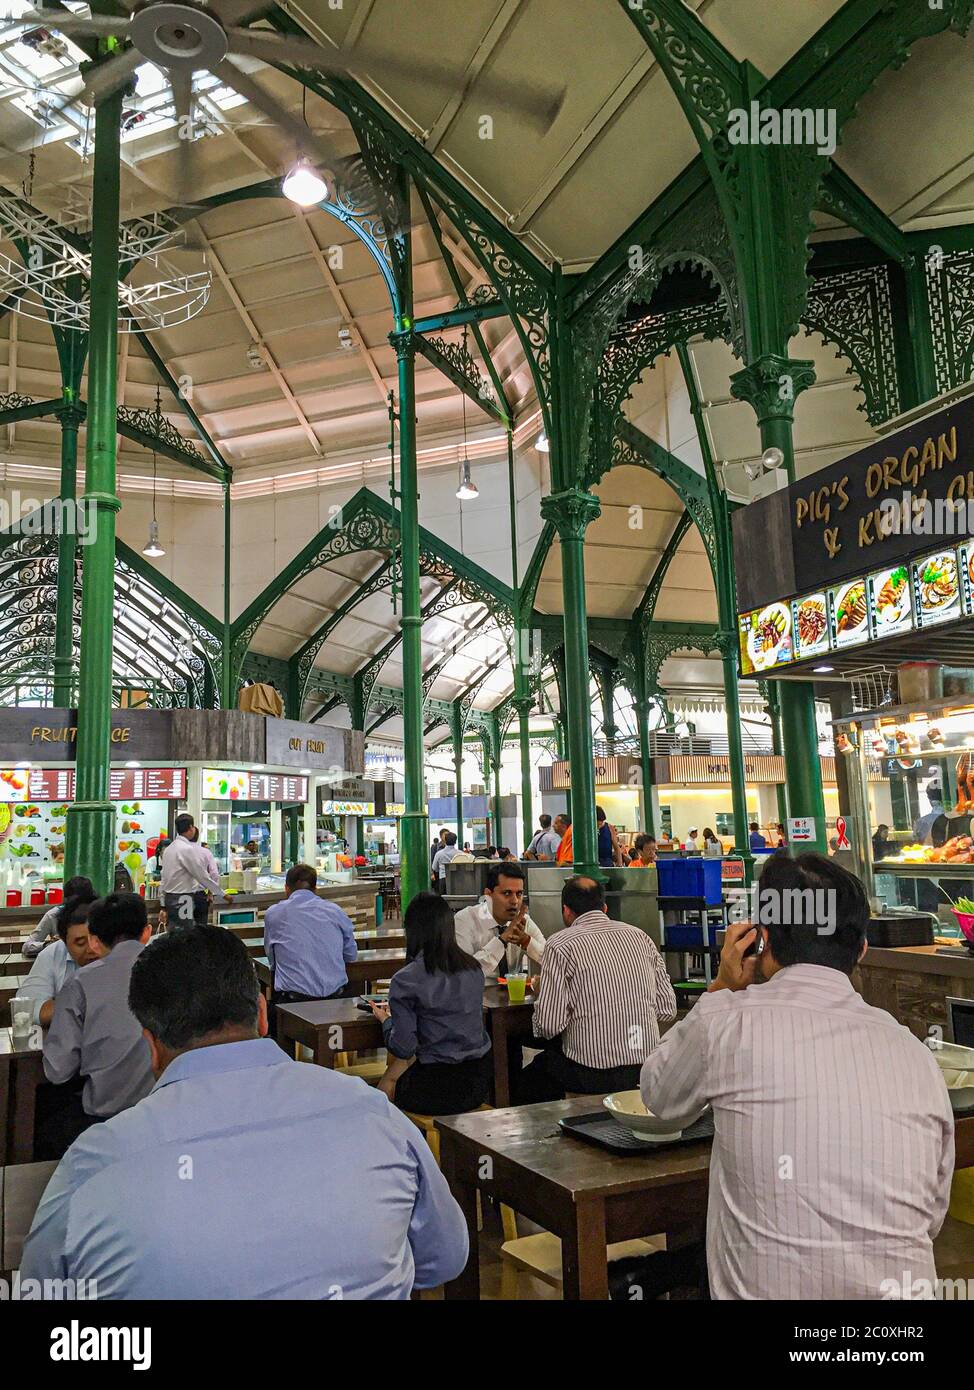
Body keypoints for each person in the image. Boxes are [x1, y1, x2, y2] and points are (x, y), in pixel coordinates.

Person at [22, 925, 469, 1299]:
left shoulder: (94, 1165)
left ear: (151, 1046)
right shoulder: (373, 1113)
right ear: (262, 1015)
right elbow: (445, 1257)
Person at [640, 853, 954, 1300]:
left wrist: (722, 987)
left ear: (762, 940)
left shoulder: (729, 1023)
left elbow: (660, 1097)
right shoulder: (916, 1055)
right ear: (861, 948)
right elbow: (932, 1214)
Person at [518, 876, 677, 1103]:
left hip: (589, 1073)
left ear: (566, 911)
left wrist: (543, 992)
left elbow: (549, 1025)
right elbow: (667, 1010)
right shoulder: (641, 937)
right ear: (604, 907)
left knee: (527, 1079)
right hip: (644, 1069)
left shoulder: (561, 944)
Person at [41, 893, 155, 1154]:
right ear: (146, 932)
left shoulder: (81, 983)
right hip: (168, 1115)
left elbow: (58, 1070)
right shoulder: (175, 973)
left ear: (93, 940)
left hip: (104, 1120)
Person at [371, 893, 491, 1115]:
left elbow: (403, 1047)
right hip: (477, 1083)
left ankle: (384, 1138)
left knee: (394, 1072)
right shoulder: (474, 969)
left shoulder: (406, 979)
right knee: (403, 1066)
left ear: (411, 931)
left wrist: (387, 1022)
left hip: (433, 1089)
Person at [263, 864, 357, 1005]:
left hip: (292, 1003)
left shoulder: (274, 914)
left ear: (286, 889)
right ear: (315, 889)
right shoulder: (336, 911)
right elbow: (351, 955)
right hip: (336, 999)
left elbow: (272, 960)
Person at [453, 862, 546, 980]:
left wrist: (526, 941)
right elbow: (463, 973)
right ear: (488, 895)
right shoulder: (465, 920)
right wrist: (502, 940)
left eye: (519, 894)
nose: (515, 901)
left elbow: (552, 959)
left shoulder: (522, 921)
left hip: (512, 994)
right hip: (478, 994)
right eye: (507, 893)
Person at [19, 897, 98, 1028]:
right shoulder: (52, 955)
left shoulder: (121, 952)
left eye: (97, 939)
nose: (91, 949)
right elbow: (26, 1008)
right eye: (80, 943)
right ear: (63, 941)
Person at [160, 812, 220, 926]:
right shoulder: (189, 850)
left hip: (171, 898)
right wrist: (218, 892)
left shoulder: (169, 850)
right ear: (191, 828)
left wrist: (162, 904)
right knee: (189, 933)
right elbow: (205, 875)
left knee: (175, 933)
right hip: (186, 898)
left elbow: (164, 878)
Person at [22, 875, 94, 960]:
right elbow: (27, 947)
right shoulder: (54, 915)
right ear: (66, 901)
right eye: (74, 904)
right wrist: (49, 944)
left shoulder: (97, 913)